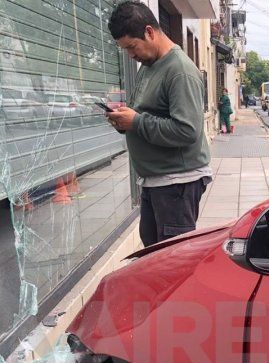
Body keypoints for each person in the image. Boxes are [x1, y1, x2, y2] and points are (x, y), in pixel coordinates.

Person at [105, 1, 211, 246]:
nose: (131, 55)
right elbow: (142, 113)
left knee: (172, 257)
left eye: (132, 46)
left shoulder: (180, 70)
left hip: (177, 183)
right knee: (153, 251)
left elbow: (187, 130)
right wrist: (124, 120)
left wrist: (136, 122)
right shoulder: (149, 67)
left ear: (149, 32)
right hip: (156, 180)